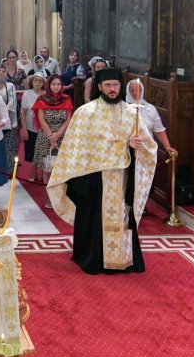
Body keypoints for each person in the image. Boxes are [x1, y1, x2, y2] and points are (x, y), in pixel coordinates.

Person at [47, 68, 157, 274]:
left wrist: (136, 146)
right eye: (108, 85)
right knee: (93, 218)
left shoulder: (132, 113)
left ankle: (123, 260)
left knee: (122, 217)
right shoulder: (86, 113)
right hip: (94, 177)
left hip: (122, 179)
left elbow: (150, 147)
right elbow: (74, 147)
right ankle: (92, 258)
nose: (112, 89)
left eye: (116, 85)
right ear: (99, 87)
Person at [33, 74, 73, 185]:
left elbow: (68, 118)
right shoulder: (41, 99)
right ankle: (49, 197)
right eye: (53, 84)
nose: (56, 87)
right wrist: (52, 138)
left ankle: (59, 195)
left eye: (59, 84)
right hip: (46, 136)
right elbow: (41, 120)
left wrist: (58, 134)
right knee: (47, 168)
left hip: (63, 136)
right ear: (48, 85)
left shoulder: (66, 99)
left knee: (61, 168)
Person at [126, 79, 177, 158]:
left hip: (146, 152)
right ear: (128, 91)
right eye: (132, 90)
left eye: (138, 90)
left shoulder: (150, 108)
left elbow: (159, 130)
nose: (135, 93)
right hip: (127, 152)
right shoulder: (122, 108)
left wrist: (167, 147)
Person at [0, 64, 19, 165]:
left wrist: (4, 116)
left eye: (3, 71)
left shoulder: (10, 86)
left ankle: (10, 170)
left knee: (10, 148)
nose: (1, 72)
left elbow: (12, 102)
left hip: (9, 121)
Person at [19, 72, 45, 164]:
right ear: (32, 81)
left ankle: (43, 175)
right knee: (31, 154)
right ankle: (33, 175)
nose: (37, 83)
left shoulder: (46, 95)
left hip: (43, 129)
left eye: (40, 81)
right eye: (35, 80)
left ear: (43, 83)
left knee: (43, 154)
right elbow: (23, 113)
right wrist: (24, 129)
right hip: (30, 128)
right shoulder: (27, 94)